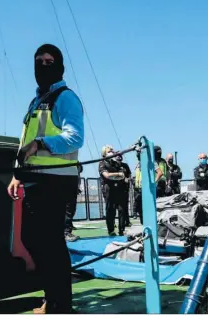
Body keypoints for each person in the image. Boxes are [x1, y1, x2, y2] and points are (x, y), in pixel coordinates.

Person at [7, 44, 84, 314]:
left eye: (49, 61)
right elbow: (24, 141)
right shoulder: (36, 101)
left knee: (49, 242)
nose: (43, 65)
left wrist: (40, 144)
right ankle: (52, 297)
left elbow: (75, 137)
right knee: (33, 240)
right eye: (38, 61)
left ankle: (58, 303)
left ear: (60, 65)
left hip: (56, 181)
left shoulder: (66, 98)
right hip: (34, 179)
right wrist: (17, 175)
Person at [99, 145, 131, 236]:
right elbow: (107, 175)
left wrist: (119, 176)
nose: (112, 152)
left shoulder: (116, 163)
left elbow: (124, 175)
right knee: (110, 210)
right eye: (110, 151)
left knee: (122, 209)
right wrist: (118, 174)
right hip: (108, 189)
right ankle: (111, 230)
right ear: (105, 153)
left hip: (119, 188)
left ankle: (122, 230)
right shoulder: (102, 163)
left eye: (112, 151)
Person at [134, 150, 163, 224]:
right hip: (139, 189)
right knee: (140, 210)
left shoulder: (151, 162)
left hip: (147, 189)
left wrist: (153, 183)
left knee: (149, 209)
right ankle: (143, 225)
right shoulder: (138, 164)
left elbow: (160, 173)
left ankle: (150, 225)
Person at [64, 164, 83, 242]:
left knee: (71, 210)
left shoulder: (76, 162)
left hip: (73, 186)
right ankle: (66, 232)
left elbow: (80, 169)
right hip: (66, 185)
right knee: (67, 210)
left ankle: (67, 231)